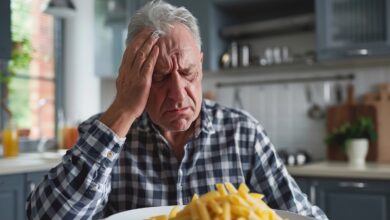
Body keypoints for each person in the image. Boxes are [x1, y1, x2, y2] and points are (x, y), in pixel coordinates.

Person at [26, 1, 328, 219]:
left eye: (189, 73)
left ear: (201, 62)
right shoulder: (105, 134)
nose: (178, 93)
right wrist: (122, 110)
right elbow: (47, 216)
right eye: (158, 78)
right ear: (134, 76)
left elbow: (303, 215)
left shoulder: (242, 133)